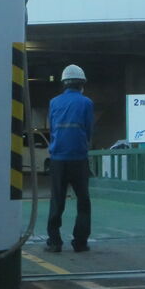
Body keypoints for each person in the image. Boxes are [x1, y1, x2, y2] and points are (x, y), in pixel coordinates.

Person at [45, 64, 94, 253]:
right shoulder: (87, 103)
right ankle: (80, 242)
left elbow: (52, 128)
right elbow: (89, 130)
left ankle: (54, 241)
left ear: (64, 83)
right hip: (79, 158)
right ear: (82, 84)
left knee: (57, 200)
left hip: (58, 158)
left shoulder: (54, 102)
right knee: (83, 201)